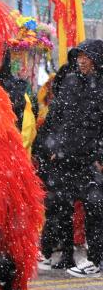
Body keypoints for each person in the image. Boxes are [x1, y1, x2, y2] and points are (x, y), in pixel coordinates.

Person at [33, 39, 103, 276]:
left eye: (87, 57)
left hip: (90, 161)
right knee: (59, 206)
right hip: (64, 158)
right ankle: (65, 254)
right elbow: (54, 118)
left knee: (95, 206)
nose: (82, 61)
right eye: (80, 56)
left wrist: (100, 157)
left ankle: (95, 258)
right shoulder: (70, 82)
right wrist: (47, 148)